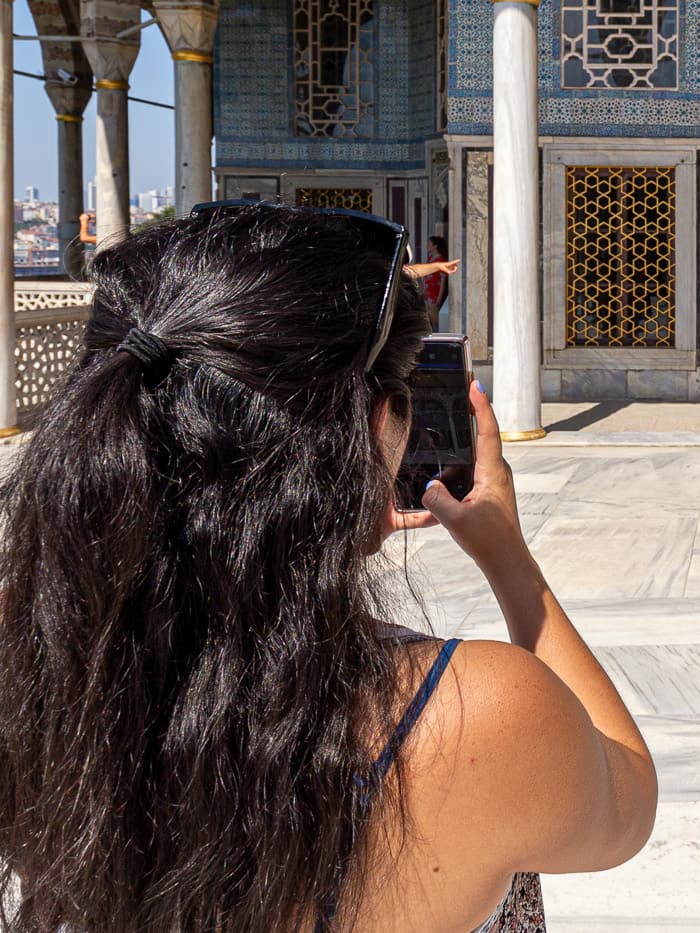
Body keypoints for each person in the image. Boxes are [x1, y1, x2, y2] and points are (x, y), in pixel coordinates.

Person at [0, 204, 655, 932]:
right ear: (375, 432)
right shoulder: (471, 718)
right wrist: (510, 560)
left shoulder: (31, 668)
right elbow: (627, 796)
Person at [412, 234, 457, 330]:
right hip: (427, 293)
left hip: (435, 294)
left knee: (435, 320)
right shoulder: (430, 259)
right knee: (428, 319)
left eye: (429, 244)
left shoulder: (441, 260)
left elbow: (443, 281)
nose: (427, 246)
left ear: (435, 246)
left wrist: (439, 298)